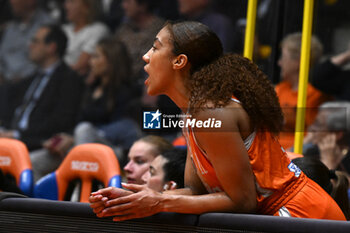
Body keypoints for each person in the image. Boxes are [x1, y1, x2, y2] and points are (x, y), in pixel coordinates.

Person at [89, 21, 345, 220]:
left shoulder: (211, 112)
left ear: (180, 61)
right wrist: (146, 195)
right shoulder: (192, 112)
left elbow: (242, 201)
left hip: (302, 213)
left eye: (155, 47)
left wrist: (160, 201)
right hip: (279, 215)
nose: (145, 56)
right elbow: (198, 192)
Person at [28, 37, 140, 181]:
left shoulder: (126, 91)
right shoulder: (89, 88)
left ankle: (77, 191)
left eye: (96, 57)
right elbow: (75, 120)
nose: (90, 62)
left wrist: (79, 135)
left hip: (111, 149)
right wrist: (66, 137)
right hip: (79, 144)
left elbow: (123, 130)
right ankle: (45, 203)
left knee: (84, 129)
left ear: (111, 61)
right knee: (33, 161)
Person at [0, 24, 83, 152]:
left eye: (35, 41)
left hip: (39, 144)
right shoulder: (31, 79)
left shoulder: (68, 80)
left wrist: (18, 135)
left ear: (51, 47)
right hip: (9, 138)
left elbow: (59, 122)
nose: (30, 45)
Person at [275, 32, 331, 150]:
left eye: (283, 57)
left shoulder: (315, 95)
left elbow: (315, 137)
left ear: (298, 62)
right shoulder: (281, 89)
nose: (279, 63)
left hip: (295, 156)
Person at [0, 0, 53, 83]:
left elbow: (48, 60)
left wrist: (23, 79)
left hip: (31, 83)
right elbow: (2, 55)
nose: (11, 2)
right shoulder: (11, 28)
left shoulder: (47, 26)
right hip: (4, 83)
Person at [62, 0, 109, 76]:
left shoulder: (98, 30)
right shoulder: (63, 29)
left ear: (86, 7)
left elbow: (81, 66)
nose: (66, 6)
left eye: (72, 2)